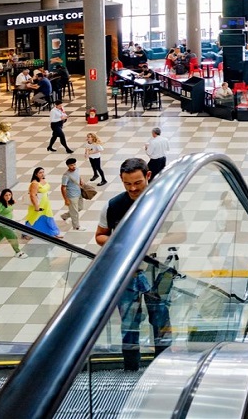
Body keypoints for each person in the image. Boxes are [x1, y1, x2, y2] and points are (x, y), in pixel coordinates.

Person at [95, 158, 170, 370]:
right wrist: (121, 242)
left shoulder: (162, 201)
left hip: (156, 271)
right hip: (127, 274)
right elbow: (100, 235)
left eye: (137, 182)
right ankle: (131, 367)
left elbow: (180, 233)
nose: (133, 188)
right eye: (127, 184)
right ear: (121, 179)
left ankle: (163, 366)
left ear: (148, 176)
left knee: (161, 320)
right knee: (129, 324)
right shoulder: (113, 206)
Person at [0, 188, 27, 258]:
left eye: (9, 195)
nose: (8, 197)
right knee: (13, 236)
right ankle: (18, 252)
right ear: (2, 196)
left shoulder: (9, 202)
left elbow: (9, 208)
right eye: (6, 195)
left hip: (8, 223)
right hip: (3, 224)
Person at [27, 167, 63, 238]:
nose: (42, 174)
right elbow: (32, 195)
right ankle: (27, 233)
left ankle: (53, 232)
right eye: (40, 173)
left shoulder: (42, 180)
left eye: (43, 172)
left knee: (48, 216)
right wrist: (36, 206)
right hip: (38, 204)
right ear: (36, 174)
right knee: (34, 217)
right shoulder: (35, 183)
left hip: (45, 203)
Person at [60, 158, 85, 231]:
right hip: (71, 195)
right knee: (74, 212)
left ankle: (64, 216)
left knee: (80, 207)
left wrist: (81, 180)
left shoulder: (77, 169)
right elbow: (63, 188)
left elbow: (78, 175)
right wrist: (66, 199)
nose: (73, 166)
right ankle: (76, 227)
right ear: (68, 166)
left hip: (79, 192)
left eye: (74, 164)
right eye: (71, 165)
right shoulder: (66, 176)